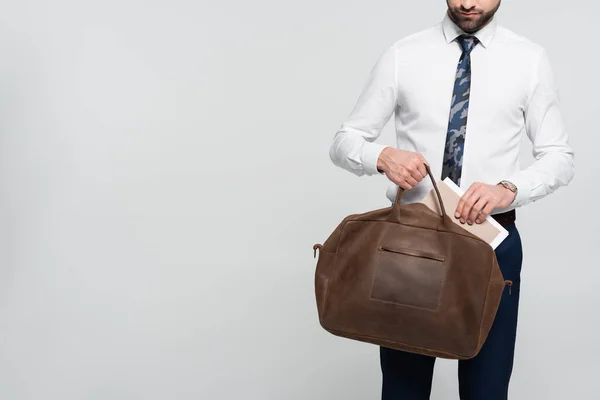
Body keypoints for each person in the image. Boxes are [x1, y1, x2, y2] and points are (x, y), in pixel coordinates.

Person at [328, 0, 575, 399]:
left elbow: (560, 157)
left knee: (486, 389)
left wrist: (508, 189)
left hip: (491, 243)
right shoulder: (403, 55)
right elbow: (344, 141)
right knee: (403, 388)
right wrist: (382, 156)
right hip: (410, 246)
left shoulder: (528, 60)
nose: (467, 3)